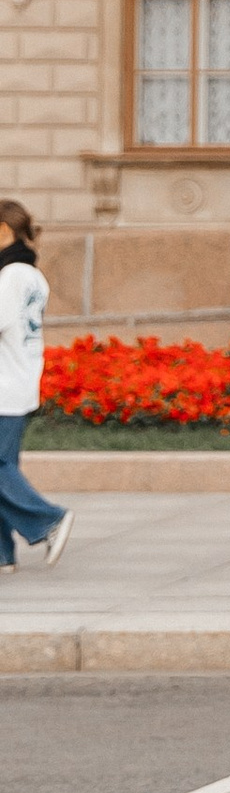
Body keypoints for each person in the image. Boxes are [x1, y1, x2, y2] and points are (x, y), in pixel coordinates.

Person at [0, 201, 73, 577]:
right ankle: (2, 555)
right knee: (3, 468)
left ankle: (48, 521)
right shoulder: (31, 274)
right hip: (18, 381)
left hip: (3, 385)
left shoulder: (10, 275)